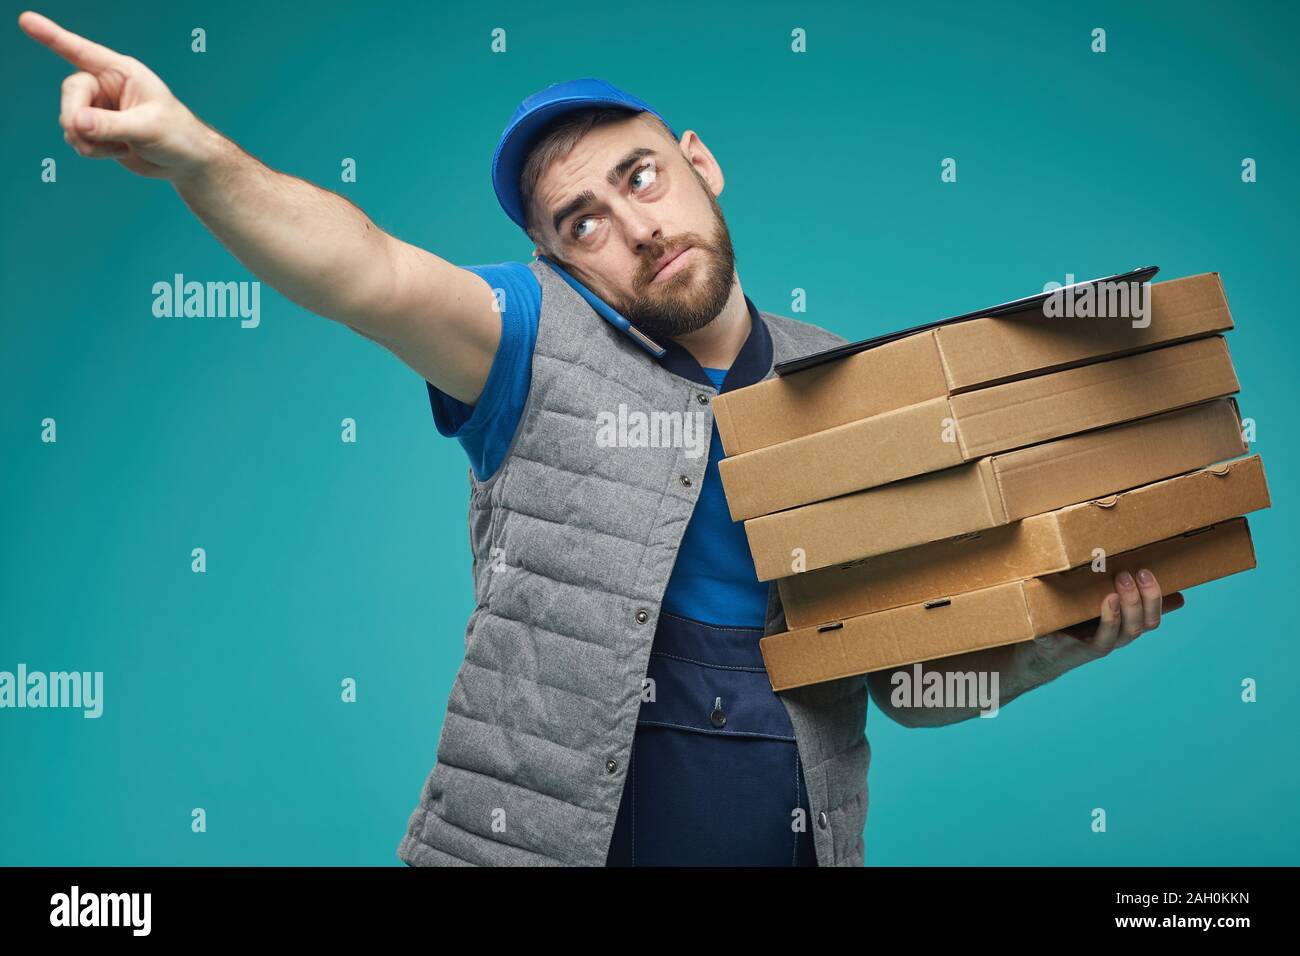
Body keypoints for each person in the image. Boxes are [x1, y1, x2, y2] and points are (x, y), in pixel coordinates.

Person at [19, 9, 1184, 867]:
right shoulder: (527, 342)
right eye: (584, 221)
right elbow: (362, 267)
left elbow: (905, 687)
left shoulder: (850, 378)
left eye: (643, 177)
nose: (634, 225)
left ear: (699, 164)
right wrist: (193, 152)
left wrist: (1060, 638)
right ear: (556, 261)